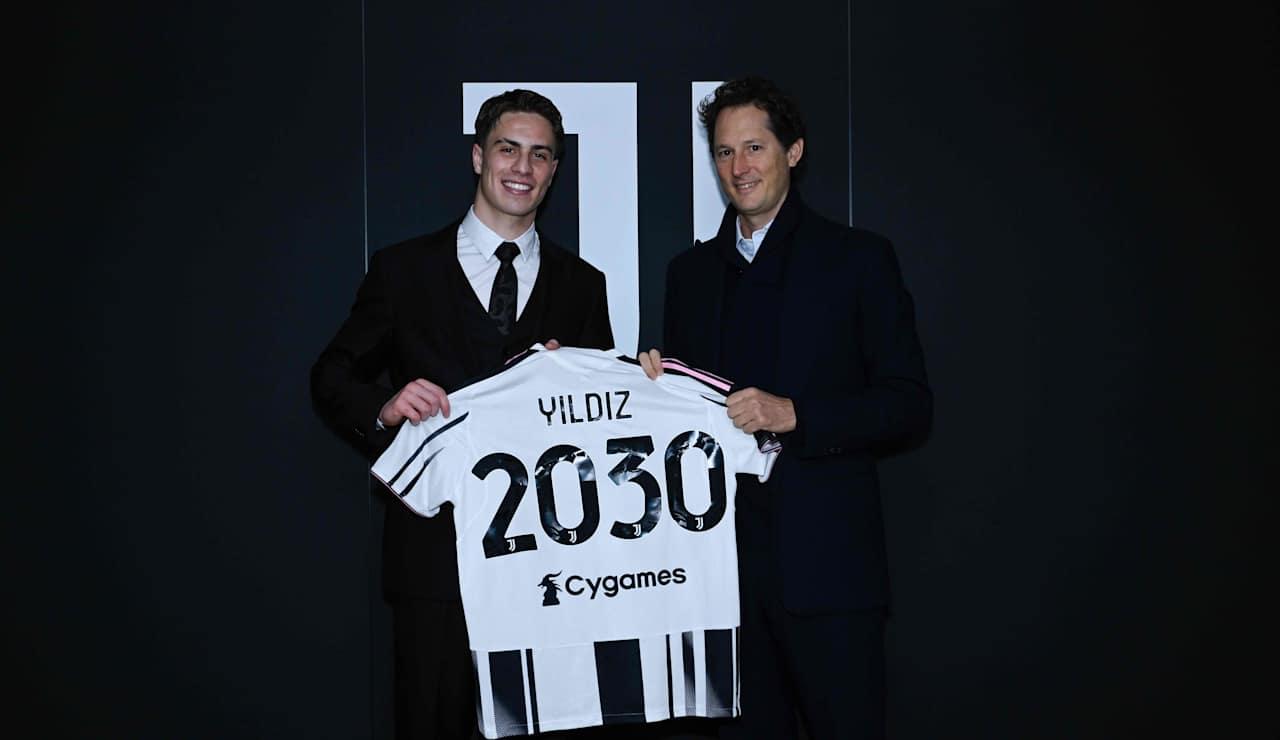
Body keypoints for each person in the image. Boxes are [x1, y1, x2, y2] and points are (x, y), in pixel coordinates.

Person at [311, 89, 614, 740]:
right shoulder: (402, 270)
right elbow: (332, 375)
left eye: (541, 155)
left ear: (555, 170)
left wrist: (583, 384)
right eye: (509, 148)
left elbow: (597, 428)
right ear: (479, 156)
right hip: (432, 557)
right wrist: (385, 409)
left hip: (544, 565)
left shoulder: (584, 286)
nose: (523, 167)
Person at [639, 77, 931, 739]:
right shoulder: (689, 274)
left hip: (829, 574)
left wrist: (796, 414)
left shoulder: (859, 260)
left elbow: (909, 405)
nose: (739, 168)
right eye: (723, 152)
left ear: (793, 151)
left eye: (754, 147)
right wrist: (652, 389)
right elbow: (688, 417)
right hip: (719, 579)